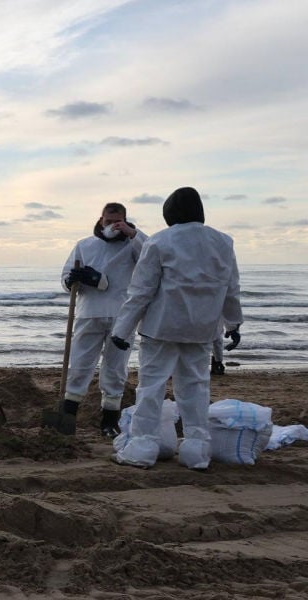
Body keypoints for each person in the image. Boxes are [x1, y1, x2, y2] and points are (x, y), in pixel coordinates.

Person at [110, 187, 243, 470]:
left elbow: (141, 291)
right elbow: (231, 289)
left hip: (162, 328)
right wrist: (233, 323)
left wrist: (122, 330)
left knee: (152, 387)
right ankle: (196, 450)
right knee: (196, 388)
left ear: (169, 213)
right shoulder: (223, 242)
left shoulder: (159, 241)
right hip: (202, 329)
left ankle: (143, 447)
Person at [59, 202, 148, 436]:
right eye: (109, 222)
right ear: (101, 220)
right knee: (79, 365)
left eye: (118, 222)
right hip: (89, 312)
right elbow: (67, 275)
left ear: (125, 221)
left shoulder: (132, 245)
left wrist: (133, 233)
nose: (113, 226)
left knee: (115, 369)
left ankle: (109, 421)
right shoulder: (85, 245)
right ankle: (68, 417)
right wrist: (72, 281)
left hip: (122, 315)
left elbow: (152, 255)